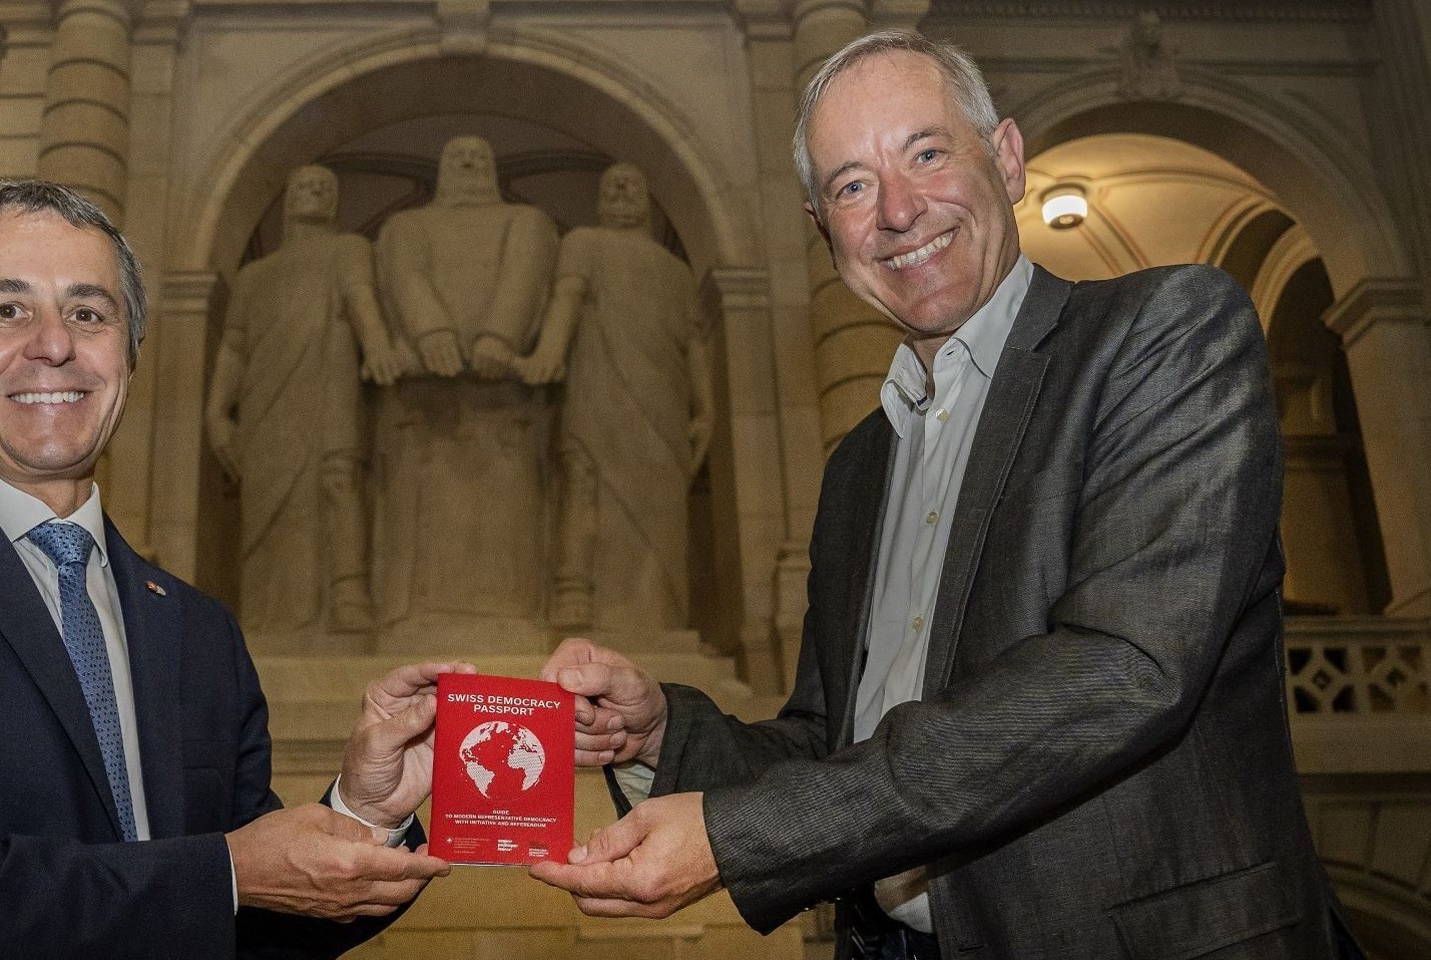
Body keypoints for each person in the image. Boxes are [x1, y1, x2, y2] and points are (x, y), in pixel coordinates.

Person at [529, 30, 1360, 959]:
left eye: (926, 153)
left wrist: (736, 839)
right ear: (822, 228)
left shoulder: (1165, 334)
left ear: (1005, 158)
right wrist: (660, 733)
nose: (896, 210)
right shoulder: (858, 467)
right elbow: (830, 745)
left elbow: (1122, 668)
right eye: (851, 186)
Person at [0, 180, 455, 959]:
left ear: (129, 361)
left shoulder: (199, 630)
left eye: (89, 313)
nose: (53, 344)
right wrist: (225, 873)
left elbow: (251, 926)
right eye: (6, 309)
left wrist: (364, 814)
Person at [372, 135, 559, 633]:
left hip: (504, 400)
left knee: (505, 516)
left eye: (480, 155)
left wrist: (500, 335)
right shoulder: (406, 226)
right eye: (458, 156)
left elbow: (526, 273)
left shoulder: (526, 222)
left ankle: (512, 614)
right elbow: (405, 275)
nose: (471, 162)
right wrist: (433, 333)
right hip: (422, 402)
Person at [516, 162, 713, 630]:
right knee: (584, 481)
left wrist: (706, 408)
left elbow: (692, 343)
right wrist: (547, 355)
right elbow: (565, 300)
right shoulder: (582, 244)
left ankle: (659, 615)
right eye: (612, 186)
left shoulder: (675, 269)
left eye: (632, 185)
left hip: (662, 398)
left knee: (660, 506)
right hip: (594, 386)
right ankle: (574, 595)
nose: (623, 191)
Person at [206, 165, 397, 634]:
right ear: (287, 199)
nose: (314, 191)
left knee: (339, 478)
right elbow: (233, 347)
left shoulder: (348, 249)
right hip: (265, 401)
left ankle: (349, 595)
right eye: (305, 185)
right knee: (266, 500)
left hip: (331, 383)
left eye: (325, 187)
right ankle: (268, 612)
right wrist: (216, 411)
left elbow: (361, 302)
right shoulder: (254, 275)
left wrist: (378, 350)